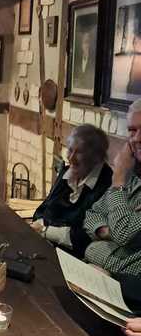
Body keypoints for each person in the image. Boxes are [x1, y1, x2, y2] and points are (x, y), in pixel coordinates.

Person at [31, 125, 112, 255]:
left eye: (79, 152)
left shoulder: (107, 185)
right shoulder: (68, 172)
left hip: (75, 257)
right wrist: (40, 227)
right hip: (47, 244)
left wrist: (45, 230)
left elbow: (84, 236)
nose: (71, 158)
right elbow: (43, 210)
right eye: (70, 150)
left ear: (96, 157)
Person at [83, 98, 141, 276]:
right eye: (132, 130)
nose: (137, 138)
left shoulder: (122, 177)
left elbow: (123, 233)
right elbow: (92, 215)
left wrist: (118, 179)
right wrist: (107, 231)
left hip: (124, 285)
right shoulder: (133, 177)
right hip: (97, 273)